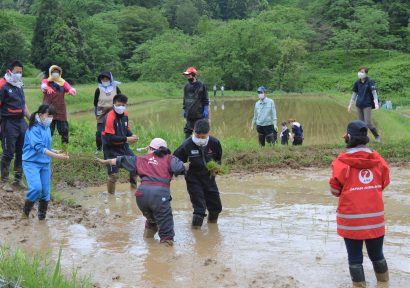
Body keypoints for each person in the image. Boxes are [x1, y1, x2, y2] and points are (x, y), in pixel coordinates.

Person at [329, 120, 390, 287]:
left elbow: (335, 191)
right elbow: (384, 184)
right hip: (375, 221)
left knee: (355, 259)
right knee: (377, 255)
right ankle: (384, 284)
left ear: (348, 138)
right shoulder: (379, 161)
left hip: (351, 222)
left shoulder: (340, 164)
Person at [97, 138, 185, 246]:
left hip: (141, 196)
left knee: (152, 221)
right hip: (159, 196)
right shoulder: (169, 158)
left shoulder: (141, 159)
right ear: (165, 150)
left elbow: (120, 160)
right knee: (166, 233)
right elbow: (179, 168)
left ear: (150, 148)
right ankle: (163, 257)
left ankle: (148, 244)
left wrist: (104, 161)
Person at [22, 104, 69, 220]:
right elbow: (39, 147)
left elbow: (46, 146)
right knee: (36, 188)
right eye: (49, 115)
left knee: (45, 192)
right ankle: (25, 214)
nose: (50, 118)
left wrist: (56, 151)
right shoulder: (33, 128)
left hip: (44, 163)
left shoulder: (46, 128)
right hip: (31, 162)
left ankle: (42, 219)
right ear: (40, 114)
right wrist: (57, 157)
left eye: (52, 116)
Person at [173, 119, 223, 229]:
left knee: (216, 207)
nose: (200, 139)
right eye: (197, 136)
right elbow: (174, 161)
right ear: (194, 132)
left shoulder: (214, 143)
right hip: (193, 179)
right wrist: (183, 168)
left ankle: (213, 229)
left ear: (208, 133)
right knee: (200, 209)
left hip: (209, 178)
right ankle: (196, 233)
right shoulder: (187, 144)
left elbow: (218, 160)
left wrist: (216, 169)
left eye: (203, 137)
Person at [0, 60, 31, 192]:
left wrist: (32, 119)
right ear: (10, 71)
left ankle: (18, 179)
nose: (19, 74)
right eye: (17, 72)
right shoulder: (3, 85)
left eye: (21, 72)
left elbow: (23, 105)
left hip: (21, 122)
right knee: (8, 153)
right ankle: (4, 181)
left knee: (22, 151)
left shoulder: (19, 85)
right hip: (8, 123)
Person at [101, 94, 138, 194]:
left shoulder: (125, 115)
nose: (120, 107)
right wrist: (127, 139)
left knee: (135, 166)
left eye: (123, 105)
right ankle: (110, 196)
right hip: (111, 149)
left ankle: (134, 192)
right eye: (118, 104)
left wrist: (132, 135)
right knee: (113, 176)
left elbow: (126, 130)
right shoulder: (109, 117)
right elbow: (110, 138)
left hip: (124, 147)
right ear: (114, 104)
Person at [41, 65, 76, 145]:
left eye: (57, 72)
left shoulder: (63, 82)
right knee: (48, 129)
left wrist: (71, 91)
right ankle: (45, 147)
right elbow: (43, 86)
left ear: (60, 73)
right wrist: (47, 88)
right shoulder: (46, 81)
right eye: (54, 72)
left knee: (64, 129)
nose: (55, 73)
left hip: (60, 109)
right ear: (50, 72)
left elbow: (70, 88)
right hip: (48, 109)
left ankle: (65, 147)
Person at [348, 66, 381, 142]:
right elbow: (354, 95)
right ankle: (363, 139)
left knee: (368, 123)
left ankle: (377, 136)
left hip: (367, 105)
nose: (360, 73)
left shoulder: (370, 81)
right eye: (359, 71)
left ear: (366, 73)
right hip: (359, 105)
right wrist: (350, 105)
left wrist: (376, 103)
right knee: (361, 123)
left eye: (362, 72)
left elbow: (374, 93)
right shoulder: (357, 83)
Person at [94, 71, 121, 154]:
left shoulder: (115, 88)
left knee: (114, 130)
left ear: (110, 79)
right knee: (99, 132)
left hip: (113, 111)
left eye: (107, 78)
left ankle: (114, 147)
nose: (105, 80)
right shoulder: (98, 89)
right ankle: (99, 149)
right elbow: (95, 103)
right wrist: (97, 112)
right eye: (103, 79)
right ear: (100, 80)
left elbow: (120, 99)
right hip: (101, 112)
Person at [182, 67, 210, 139]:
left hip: (199, 114)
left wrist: (205, 109)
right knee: (187, 132)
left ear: (193, 75)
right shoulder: (186, 86)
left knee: (199, 133)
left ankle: (200, 147)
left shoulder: (201, 85)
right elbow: (185, 99)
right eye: (187, 75)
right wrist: (184, 109)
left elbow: (205, 98)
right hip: (189, 114)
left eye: (189, 75)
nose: (187, 77)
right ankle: (186, 148)